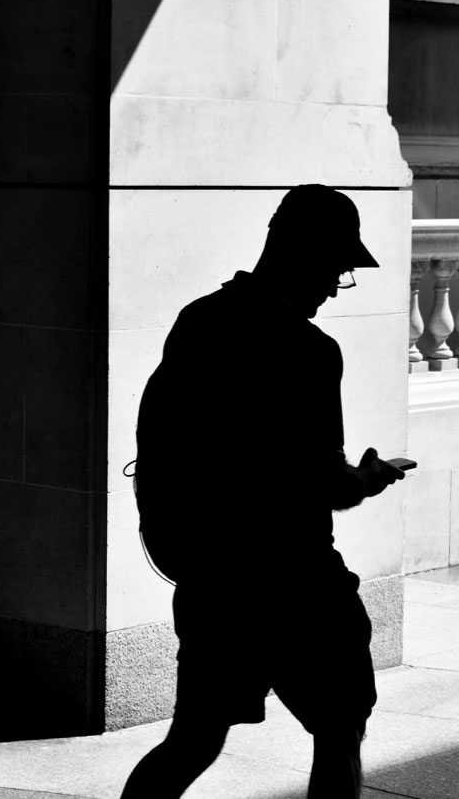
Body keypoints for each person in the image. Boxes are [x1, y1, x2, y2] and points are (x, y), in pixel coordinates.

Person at [122, 184, 406, 799]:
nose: (335, 286)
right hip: (295, 581)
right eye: (337, 268)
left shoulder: (200, 320)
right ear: (307, 257)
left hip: (213, 577)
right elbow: (322, 483)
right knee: (339, 725)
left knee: (192, 740)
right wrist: (367, 478)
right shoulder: (307, 350)